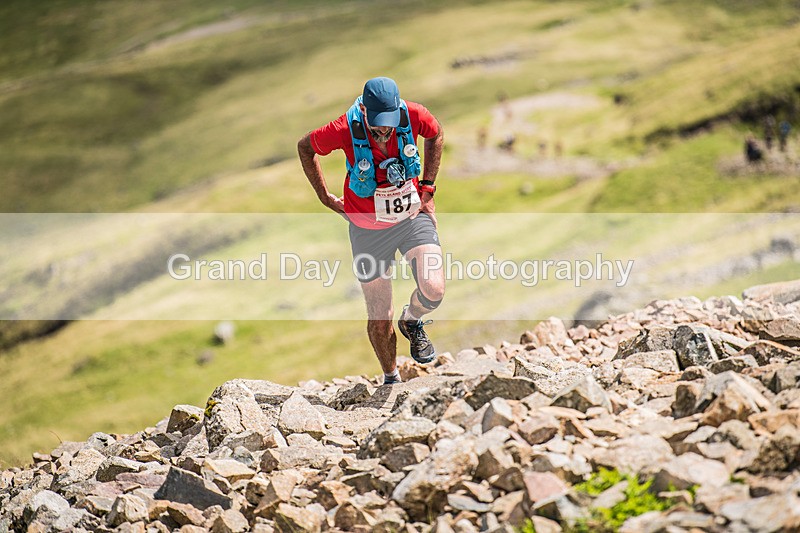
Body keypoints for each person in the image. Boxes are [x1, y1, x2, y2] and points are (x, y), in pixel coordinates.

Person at [297, 77, 445, 385]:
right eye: (377, 124)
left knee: (434, 289)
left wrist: (428, 186)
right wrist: (324, 197)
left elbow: (436, 134)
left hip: (410, 217)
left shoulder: (413, 114)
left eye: (389, 123)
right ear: (363, 110)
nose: (384, 131)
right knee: (380, 317)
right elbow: (305, 147)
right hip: (367, 230)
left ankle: (412, 320)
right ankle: (391, 380)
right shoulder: (343, 128)